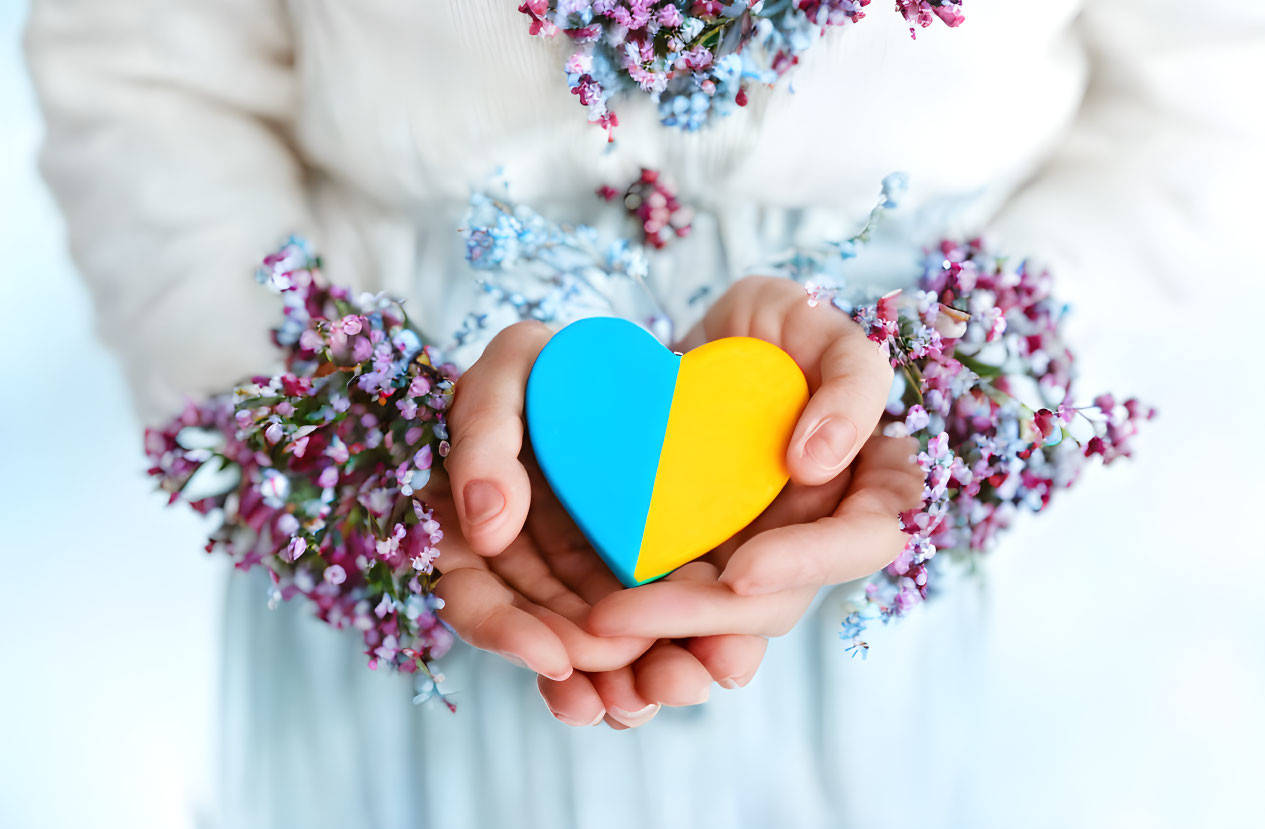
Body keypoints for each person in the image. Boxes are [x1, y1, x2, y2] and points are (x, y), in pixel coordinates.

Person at [25, 2, 1264, 827]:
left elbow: (1196, 98)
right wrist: (358, 439)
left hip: (904, 569)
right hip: (408, 510)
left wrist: (942, 393)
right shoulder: (379, 460)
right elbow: (143, 78)